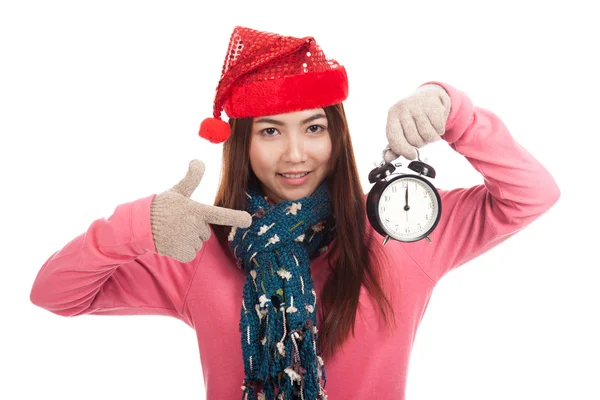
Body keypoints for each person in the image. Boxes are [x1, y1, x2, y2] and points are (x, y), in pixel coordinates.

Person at [29, 25, 561, 400]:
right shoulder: (199, 248)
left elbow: (531, 194)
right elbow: (54, 294)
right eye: (269, 131)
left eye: (313, 127)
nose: (294, 154)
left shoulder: (400, 231)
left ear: (337, 135)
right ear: (241, 144)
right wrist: (137, 224)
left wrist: (452, 109)